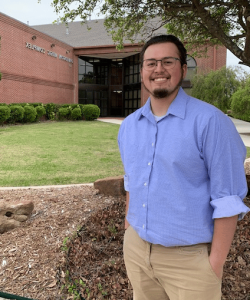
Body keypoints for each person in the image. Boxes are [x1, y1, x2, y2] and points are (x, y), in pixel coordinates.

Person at [117, 34, 250, 300]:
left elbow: (228, 199)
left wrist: (214, 264)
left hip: (190, 263)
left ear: (183, 68)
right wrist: (128, 229)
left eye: (168, 61)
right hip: (137, 252)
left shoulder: (211, 122)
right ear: (142, 70)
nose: (158, 69)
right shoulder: (129, 126)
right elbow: (132, 180)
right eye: (151, 63)